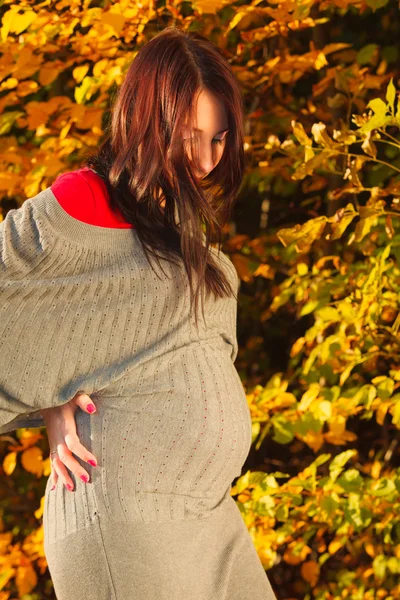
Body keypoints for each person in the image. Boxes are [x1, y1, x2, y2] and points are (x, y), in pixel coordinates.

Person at [0, 26, 277, 600]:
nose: (206, 160)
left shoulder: (175, 228)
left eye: (221, 139)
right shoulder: (82, 202)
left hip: (211, 513)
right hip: (128, 518)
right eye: (191, 136)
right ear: (146, 124)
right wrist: (48, 396)